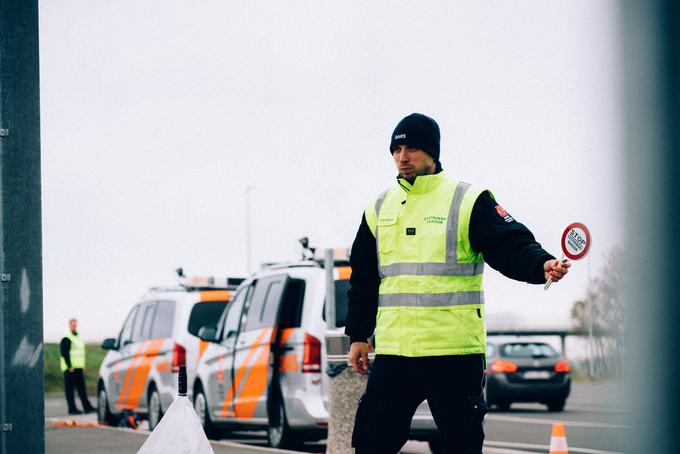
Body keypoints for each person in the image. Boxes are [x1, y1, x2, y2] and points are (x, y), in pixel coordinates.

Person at [345, 113, 570, 454]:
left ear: (433, 153)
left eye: (412, 148)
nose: (403, 157)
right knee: (370, 443)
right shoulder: (378, 207)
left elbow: (510, 245)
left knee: (461, 447)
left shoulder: (467, 200)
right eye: (397, 149)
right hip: (395, 353)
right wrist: (358, 336)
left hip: (453, 351)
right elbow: (363, 276)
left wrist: (541, 265)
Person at [60, 318, 96, 415]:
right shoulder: (67, 337)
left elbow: (81, 353)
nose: (75, 326)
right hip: (70, 369)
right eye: (73, 324)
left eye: (76, 324)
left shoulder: (78, 337)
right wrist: (69, 366)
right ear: (70, 325)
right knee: (70, 390)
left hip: (79, 368)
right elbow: (64, 353)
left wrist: (83, 366)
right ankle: (72, 409)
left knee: (82, 389)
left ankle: (87, 407)